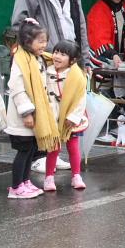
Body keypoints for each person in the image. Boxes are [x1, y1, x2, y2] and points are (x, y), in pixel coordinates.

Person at [12, 0, 87, 172]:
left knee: (64, 106)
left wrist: (84, 57)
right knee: (44, 105)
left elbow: (79, 22)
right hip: (44, 59)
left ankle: (52, 152)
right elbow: (19, 25)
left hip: (69, 57)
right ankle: (40, 155)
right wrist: (36, 51)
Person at [4, 19, 56, 200]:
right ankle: (16, 186)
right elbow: (17, 88)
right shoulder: (20, 59)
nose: (44, 45)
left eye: (45, 40)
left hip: (34, 116)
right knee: (24, 150)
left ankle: (25, 182)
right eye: (40, 41)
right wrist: (26, 112)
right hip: (22, 117)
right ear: (27, 41)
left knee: (31, 150)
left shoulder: (37, 59)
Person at [44, 39, 88, 191]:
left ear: (72, 60)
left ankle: (76, 175)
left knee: (73, 147)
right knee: (53, 148)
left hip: (70, 118)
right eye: (56, 52)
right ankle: (49, 178)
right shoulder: (46, 72)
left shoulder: (77, 76)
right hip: (53, 117)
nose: (57, 56)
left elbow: (81, 99)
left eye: (63, 54)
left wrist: (73, 117)